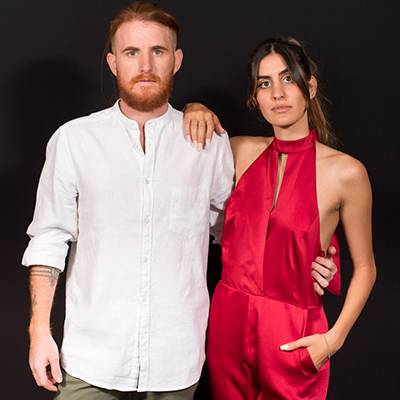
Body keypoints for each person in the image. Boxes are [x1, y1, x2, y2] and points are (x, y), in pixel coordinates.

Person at [22, 2, 338, 398]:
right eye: (131, 52)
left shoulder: (210, 143)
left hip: (177, 360)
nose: (145, 65)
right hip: (91, 357)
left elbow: (239, 233)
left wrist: (310, 258)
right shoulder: (74, 140)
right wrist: (39, 331)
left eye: (158, 51)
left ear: (177, 60)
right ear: (113, 63)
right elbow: (49, 238)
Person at [184, 37, 376, 399]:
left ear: (310, 87)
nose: (277, 93)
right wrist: (195, 107)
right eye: (265, 83)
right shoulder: (237, 150)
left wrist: (333, 340)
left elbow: (366, 268)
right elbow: (177, 147)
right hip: (228, 322)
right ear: (255, 98)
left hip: (292, 330)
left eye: (288, 79)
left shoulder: (346, 173)